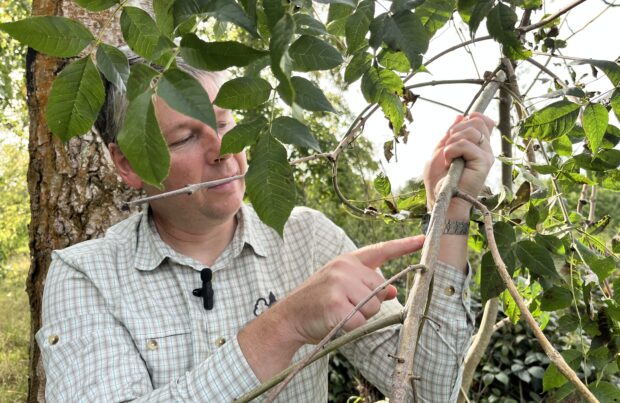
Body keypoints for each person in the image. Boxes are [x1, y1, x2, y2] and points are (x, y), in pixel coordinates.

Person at [36, 61, 495, 402]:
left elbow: (427, 390)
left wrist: (450, 208)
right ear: (128, 164)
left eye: (225, 124)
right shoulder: (85, 276)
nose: (224, 152)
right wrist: (286, 323)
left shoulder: (308, 241)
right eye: (184, 138)